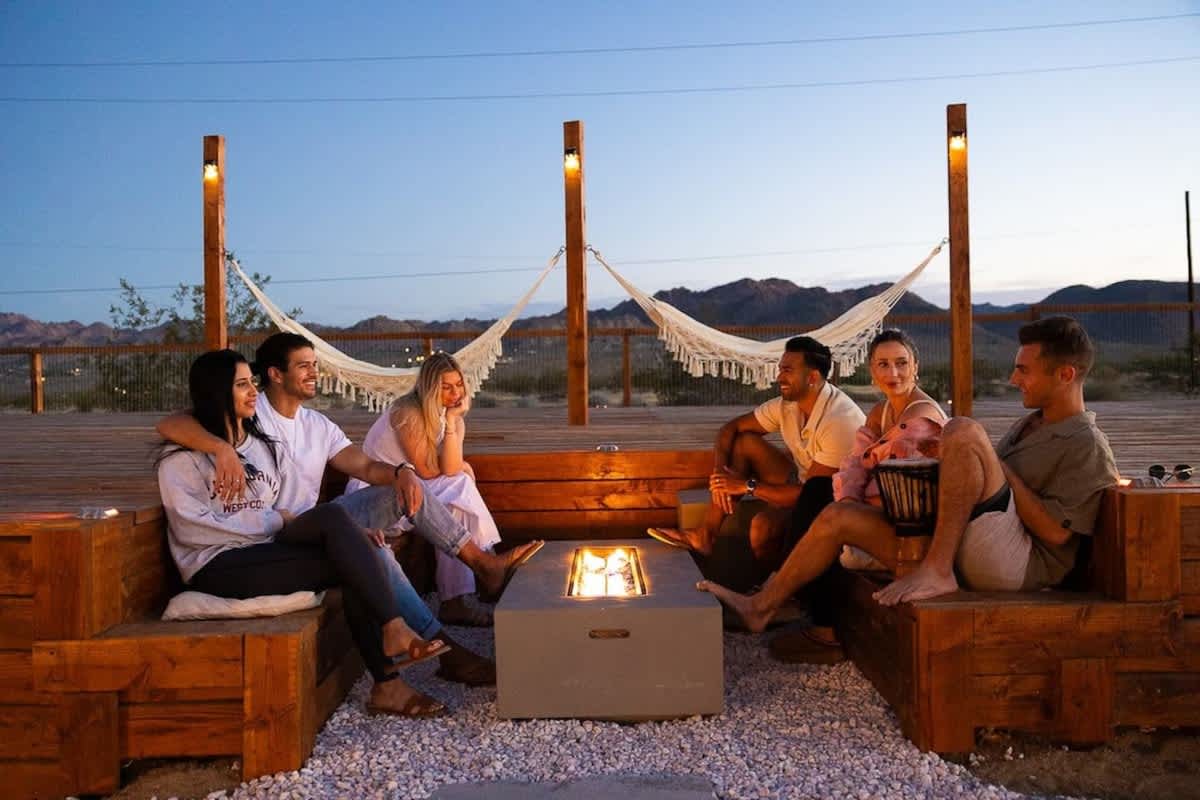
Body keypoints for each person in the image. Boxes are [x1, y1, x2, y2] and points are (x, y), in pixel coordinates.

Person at [157, 332, 543, 686]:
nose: (315, 372)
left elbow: (366, 468)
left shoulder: (316, 424)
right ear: (275, 374)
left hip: (315, 523)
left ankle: (482, 563)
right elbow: (172, 423)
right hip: (285, 531)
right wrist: (220, 448)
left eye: (315, 364)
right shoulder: (251, 418)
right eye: (304, 365)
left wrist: (402, 472)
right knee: (367, 550)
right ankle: (443, 652)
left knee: (406, 488)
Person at [699, 317, 1120, 635]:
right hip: (969, 541)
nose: (1013, 379)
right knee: (836, 514)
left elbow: (1057, 534)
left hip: (1017, 564)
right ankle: (762, 607)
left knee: (963, 428)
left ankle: (935, 569)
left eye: (1024, 370)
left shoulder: (1086, 443)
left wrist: (991, 460)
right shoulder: (1031, 424)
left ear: (1065, 374)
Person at [158, 350, 450, 717]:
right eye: (242, 384)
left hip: (265, 550)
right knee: (347, 556)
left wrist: (348, 535)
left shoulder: (260, 446)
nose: (253, 391)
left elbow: (282, 512)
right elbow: (194, 529)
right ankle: (391, 661)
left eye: (252, 382)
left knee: (340, 528)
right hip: (216, 562)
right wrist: (275, 521)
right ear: (217, 392)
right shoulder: (180, 459)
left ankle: (389, 669)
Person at [648, 335, 865, 566]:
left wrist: (746, 486)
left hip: (831, 502)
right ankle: (706, 534)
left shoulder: (839, 420)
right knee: (744, 442)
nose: (779, 377)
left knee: (762, 528)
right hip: (803, 481)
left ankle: (779, 582)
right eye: (780, 369)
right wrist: (720, 473)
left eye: (787, 370)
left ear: (812, 377)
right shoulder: (788, 405)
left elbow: (810, 495)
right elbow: (730, 428)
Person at [346, 353, 502, 626]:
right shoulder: (407, 411)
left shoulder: (451, 416)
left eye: (459, 385)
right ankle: (484, 563)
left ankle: (462, 595)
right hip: (376, 497)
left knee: (457, 491)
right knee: (459, 485)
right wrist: (463, 466)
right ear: (430, 388)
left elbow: (449, 469)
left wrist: (452, 422)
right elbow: (429, 471)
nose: (456, 393)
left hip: (412, 493)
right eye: (446, 387)